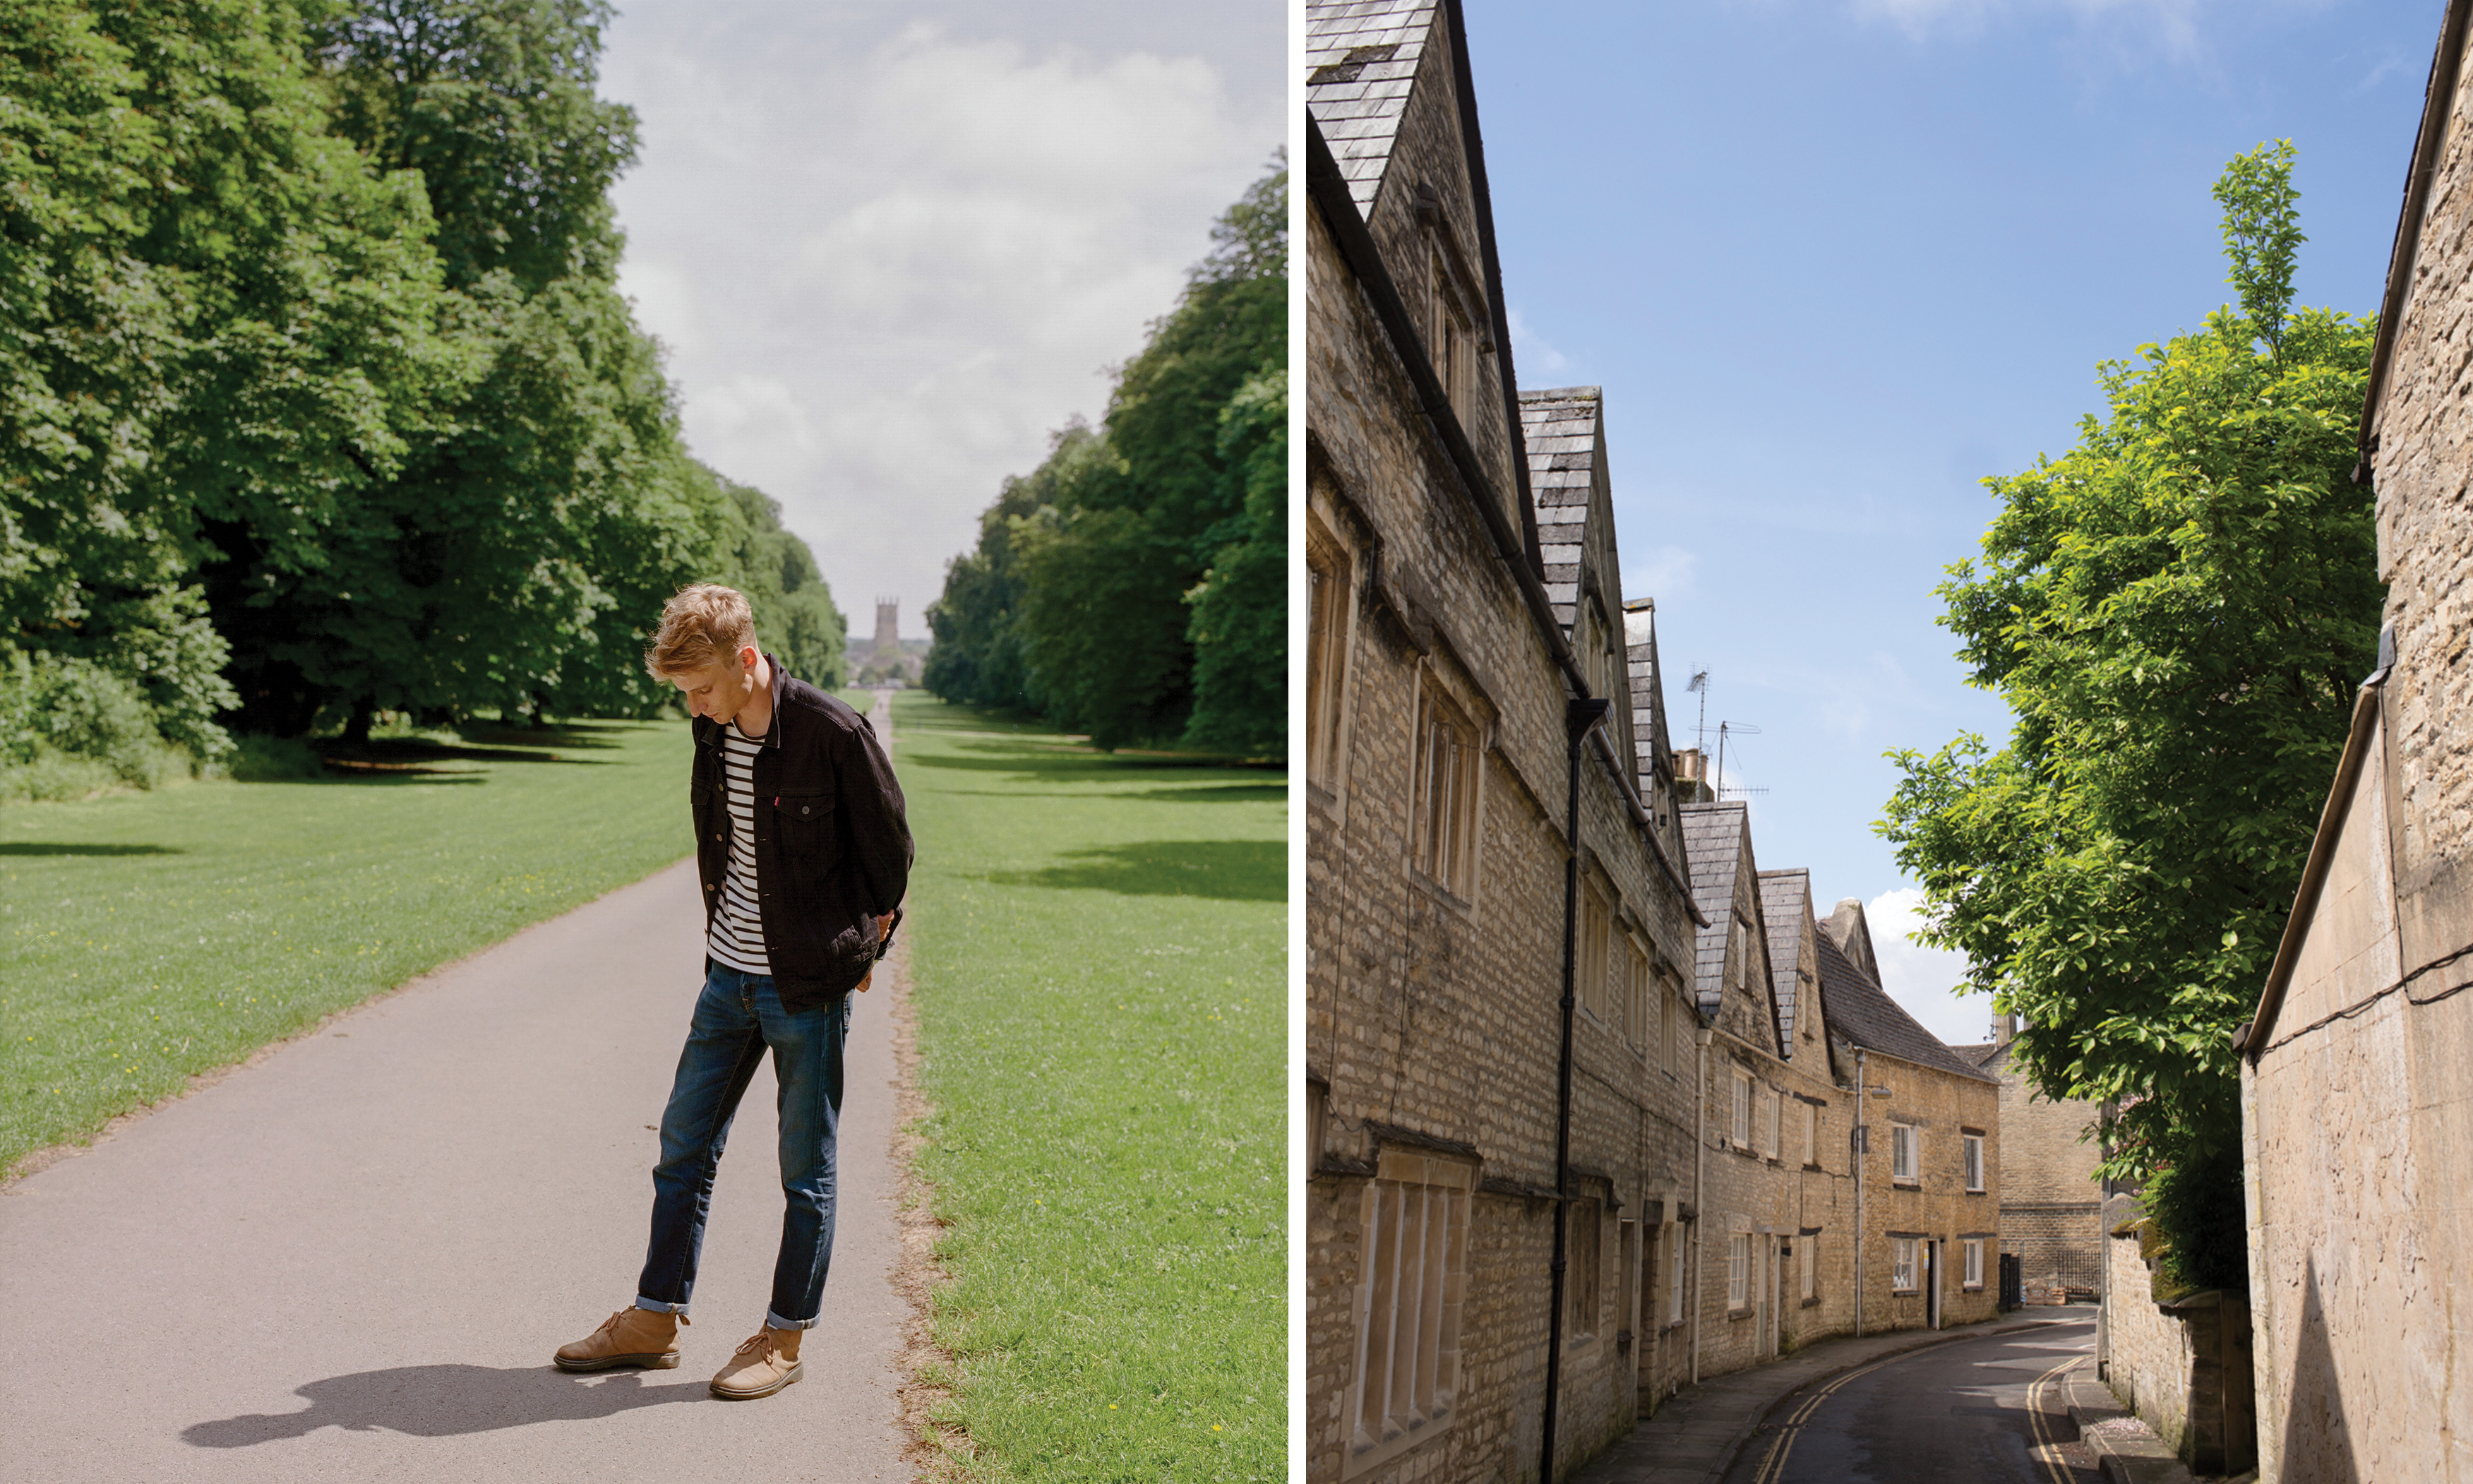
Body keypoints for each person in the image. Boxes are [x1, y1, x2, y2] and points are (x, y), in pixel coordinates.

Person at [555, 583, 911, 1399]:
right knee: (682, 1147)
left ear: (746, 658)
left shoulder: (832, 732)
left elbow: (890, 856)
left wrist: (859, 950)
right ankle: (653, 1317)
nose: (698, 705)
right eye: (685, 693)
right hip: (727, 979)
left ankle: (783, 1336)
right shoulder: (712, 733)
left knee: (803, 1170)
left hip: (806, 990)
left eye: (704, 687)